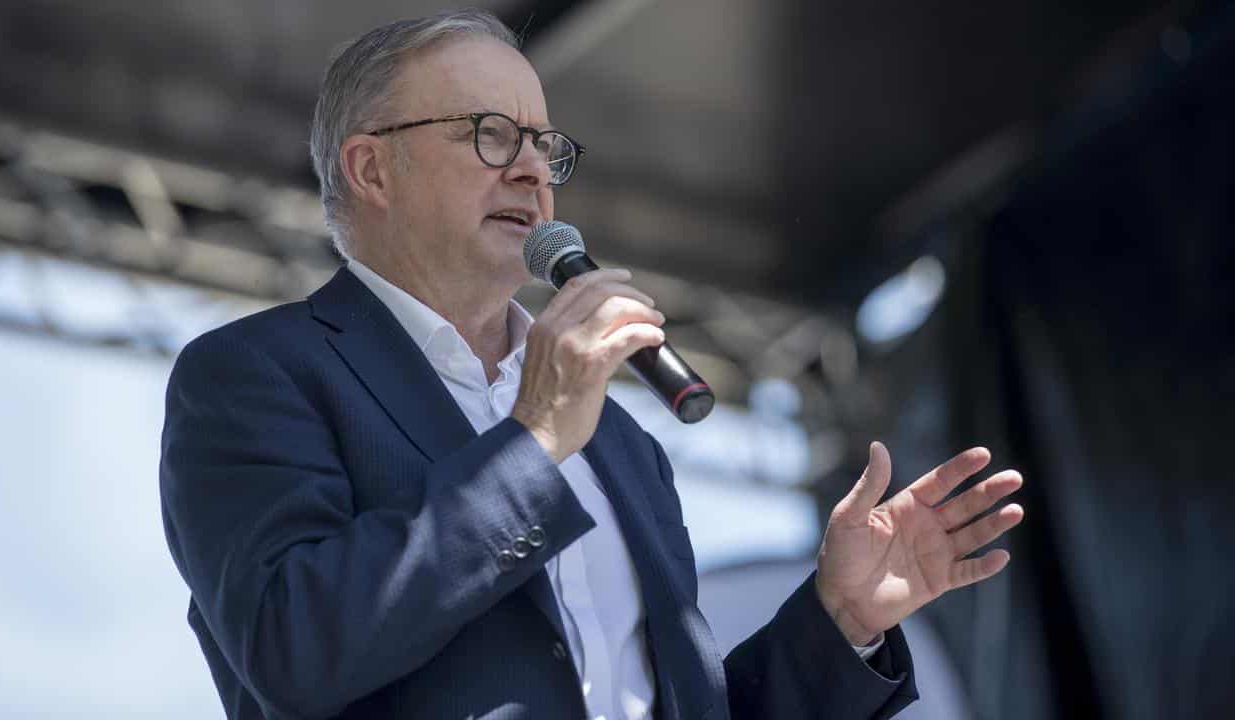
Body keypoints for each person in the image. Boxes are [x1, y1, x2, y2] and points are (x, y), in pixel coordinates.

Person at [159, 9, 1025, 720]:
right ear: (373, 167)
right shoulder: (256, 374)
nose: (534, 168)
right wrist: (530, 444)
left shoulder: (616, 440)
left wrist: (839, 621)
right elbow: (293, 652)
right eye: (491, 135)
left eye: (545, 145)